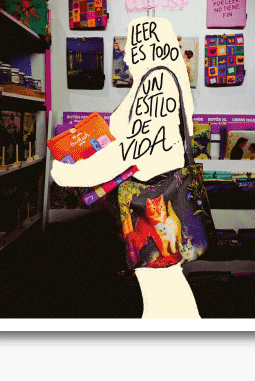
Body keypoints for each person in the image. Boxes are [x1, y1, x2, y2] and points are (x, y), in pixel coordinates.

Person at [51, 17, 201, 318]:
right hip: (155, 200)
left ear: (149, 48)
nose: (126, 54)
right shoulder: (162, 81)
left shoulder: (158, 83)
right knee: (164, 287)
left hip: (152, 205)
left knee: (162, 286)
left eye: (132, 46)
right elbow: (137, 142)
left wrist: (71, 172)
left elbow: (130, 151)